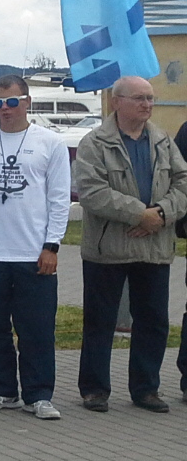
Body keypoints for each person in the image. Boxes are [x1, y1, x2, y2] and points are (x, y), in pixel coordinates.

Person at [0, 75, 71, 419]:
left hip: (33, 252)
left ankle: (39, 394)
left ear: (27, 102)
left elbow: (59, 199)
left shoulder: (50, 143)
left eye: (10, 102)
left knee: (37, 328)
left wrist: (52, 245)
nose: (4, 109)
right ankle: (2, 390)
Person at [73, 76, 187, 413]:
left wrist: (161, 214)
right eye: (139, 98)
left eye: (150, 98)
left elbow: (183, 182)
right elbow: (92, 192)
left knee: (153, 321)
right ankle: (94, 389)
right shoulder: (94, 143)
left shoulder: (163, 141)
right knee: (100, 321)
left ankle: (146, 389)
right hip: (108, 250)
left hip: (154, 248)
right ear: (116, 101)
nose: (147, 105)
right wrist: (140, 214)